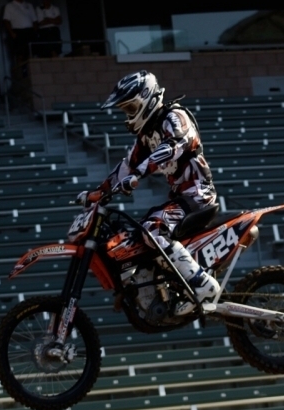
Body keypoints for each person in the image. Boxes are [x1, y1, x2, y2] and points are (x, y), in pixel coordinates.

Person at [82, 71, 220, 316]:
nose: (128, 114)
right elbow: (128, 166)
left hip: (198, 194)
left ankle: (201, 284)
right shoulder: (146, 135)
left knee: (152, 229)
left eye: (131, 107)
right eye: (125, 109)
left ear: (147, 98)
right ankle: (151, 297)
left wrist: (139, 173)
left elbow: (175, 145)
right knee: (136, 239)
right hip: (180, 197)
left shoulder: (175, 116)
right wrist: (99, 192)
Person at [2, 0, 37, 64]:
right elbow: (6, 21)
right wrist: (12, 33)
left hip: (29, 31)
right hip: (18, 32)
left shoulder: (29, 5)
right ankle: (20, 71)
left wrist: (35, 31)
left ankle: (30, 70)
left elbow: (34, 20)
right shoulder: (9, 6)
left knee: (30, 54)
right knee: (20, 55)